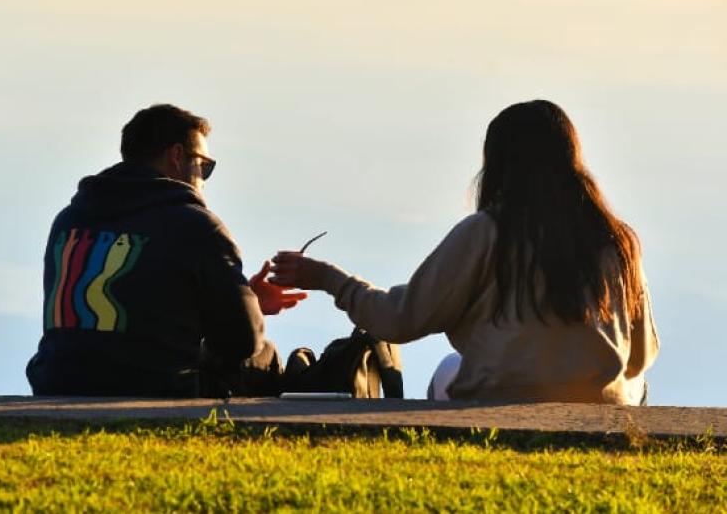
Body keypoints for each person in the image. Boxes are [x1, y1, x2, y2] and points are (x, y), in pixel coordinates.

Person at [271, 100, 659, 405]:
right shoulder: (617, 241)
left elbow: (401, 319)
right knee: (635, 384)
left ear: (498, 165)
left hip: (495, 402)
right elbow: (639, 357)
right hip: (600, 406)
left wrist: (330, 280)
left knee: (448, 369)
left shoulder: (487, 233)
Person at [26, 104, 306, 397]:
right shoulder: (197, 226)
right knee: (265, 356)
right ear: (176, 156)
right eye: (204, 166)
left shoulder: (69, 220)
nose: (203, 179)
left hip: (56, 381)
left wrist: (250, 301)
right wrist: (248, 312)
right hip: (156, 387)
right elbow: (241, 342)